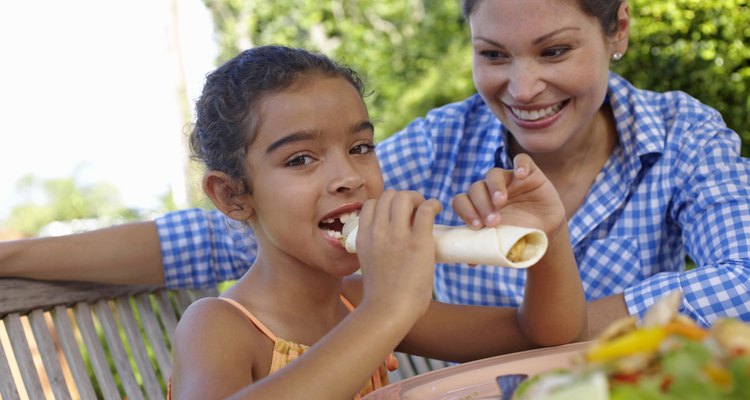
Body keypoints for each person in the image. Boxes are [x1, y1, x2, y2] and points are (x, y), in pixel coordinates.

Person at [1, 0, 749, 337]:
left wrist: (553, 269)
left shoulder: (684, 136)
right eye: (493, 55)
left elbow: (744, 279)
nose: (521, 89)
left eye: (554, 51)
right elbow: (251, 232)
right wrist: (11, 256)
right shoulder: (438, 148)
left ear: (616, 30)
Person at [165, 45, 584, 399]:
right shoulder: (217, 324)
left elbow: (544, 336)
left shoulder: (357, 299)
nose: (349, 177)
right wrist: (387, 310)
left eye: (360, 146)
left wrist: (548, 232)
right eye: (300, 159)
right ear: (232, 195)